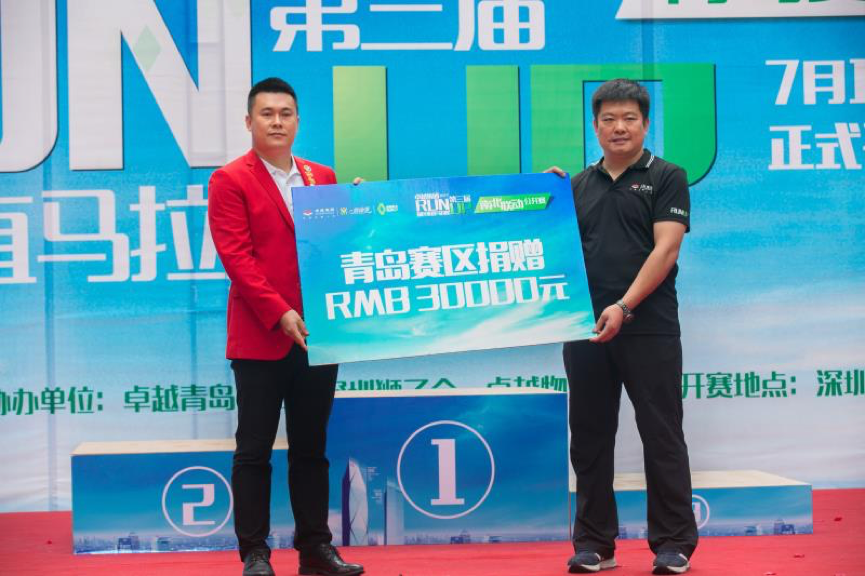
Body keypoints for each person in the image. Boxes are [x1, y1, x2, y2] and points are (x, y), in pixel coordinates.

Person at [208, 77, 364, 576]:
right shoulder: (230, 180)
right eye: (267, 113)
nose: (277, 122)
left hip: (318, 337)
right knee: (253, 450)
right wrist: (279, 313)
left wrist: (360, 210)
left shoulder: (322, 176)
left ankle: (315, 549)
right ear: (248, 121)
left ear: (297, 121)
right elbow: (238, 259)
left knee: (312, 449)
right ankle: (255, 552)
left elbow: (335, 248)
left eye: (286, 113)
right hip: (260, 338)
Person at [548, 78, 698, 575]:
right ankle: (595, 544)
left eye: (629, 118)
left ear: (645, 124)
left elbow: (666, 249)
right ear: (595, 126)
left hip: (649, 327)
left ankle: (673, 544)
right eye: (609, 119)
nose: (619, 127)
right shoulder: (575, 186)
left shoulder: (667, 176)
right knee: (589, 437)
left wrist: (624, 306)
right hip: (585, 329)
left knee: (661, 433)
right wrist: (539, 196)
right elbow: (542, 243)